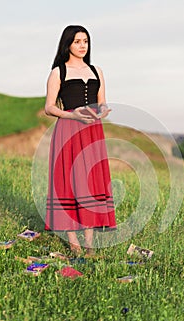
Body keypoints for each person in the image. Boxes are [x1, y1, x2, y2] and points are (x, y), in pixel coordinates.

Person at [44, 25, 117, 256]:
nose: (82, 45)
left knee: (90, 182)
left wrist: (103, 110)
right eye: (77, 41)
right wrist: (72, 115)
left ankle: (89, 243)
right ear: (67, 44)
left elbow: (102, 101)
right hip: (68, 130)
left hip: (92, 131)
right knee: (70, 181)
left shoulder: (97, 70)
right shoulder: (59, 72)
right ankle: (74, 243)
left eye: (85, 41)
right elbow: (49, 108)